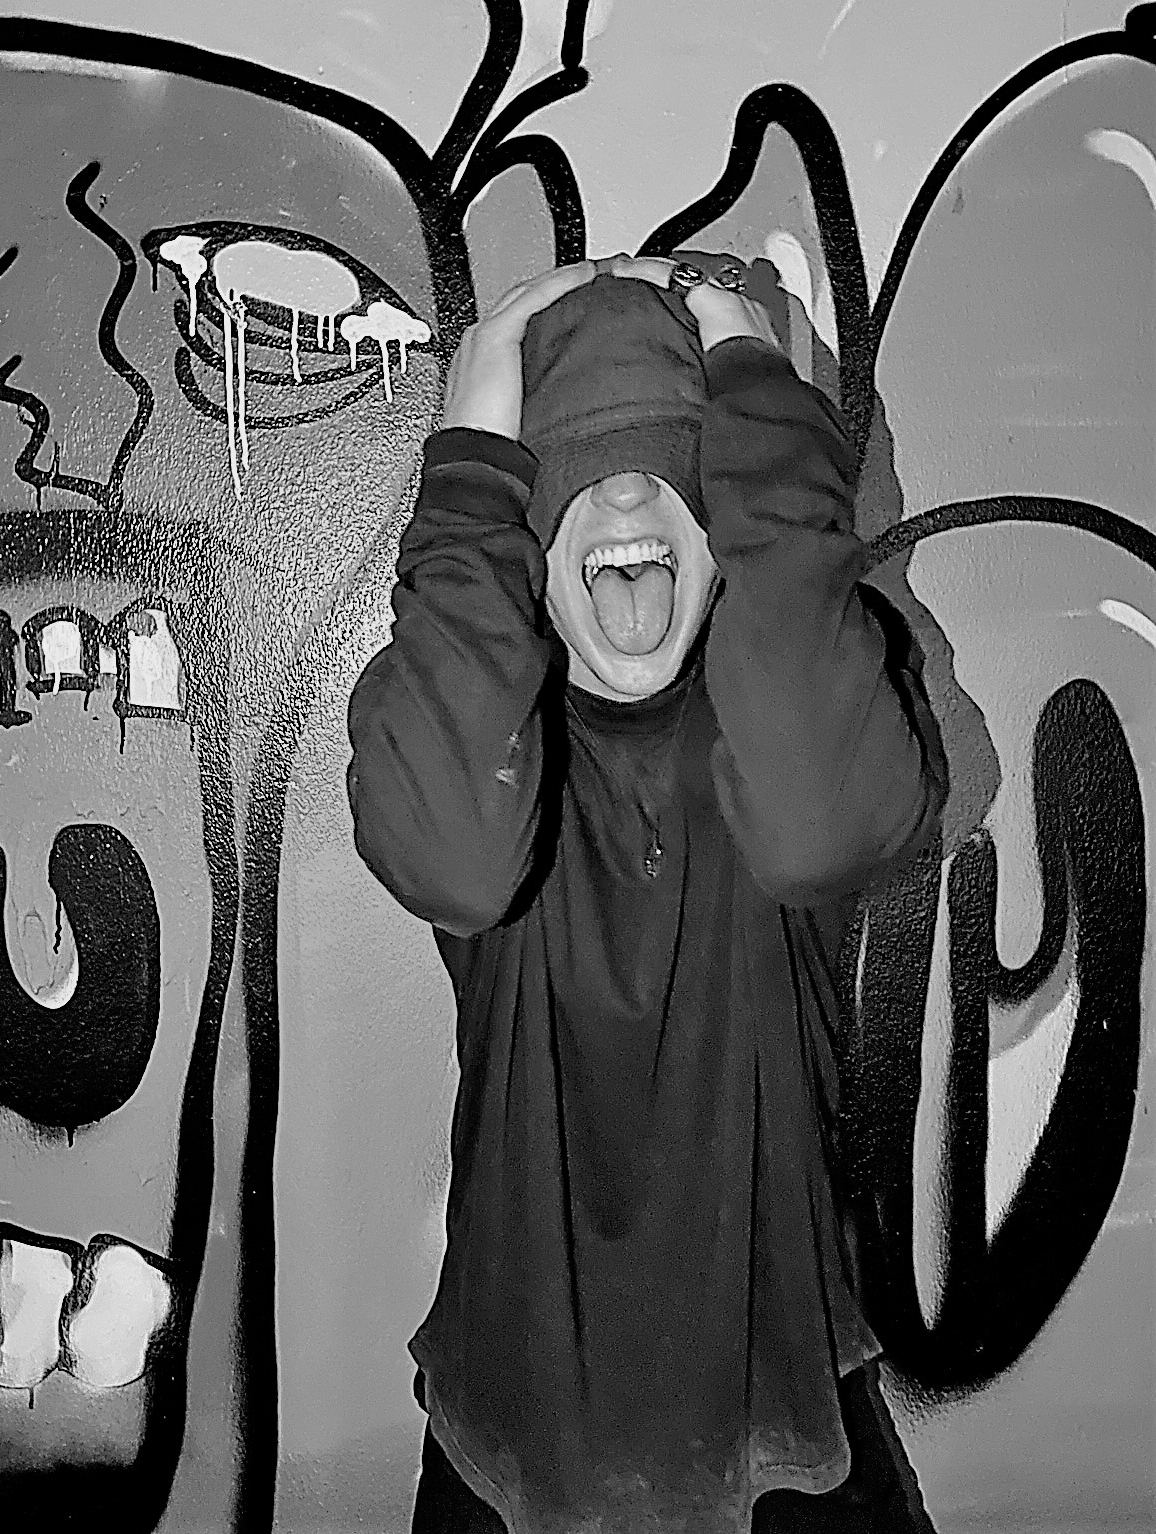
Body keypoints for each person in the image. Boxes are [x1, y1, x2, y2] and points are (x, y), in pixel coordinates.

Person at [345, 254, 948, 1534]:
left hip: (790, 1433)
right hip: (511, 1444)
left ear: (723, 530)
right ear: (526, 541)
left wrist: (751, 372)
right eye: (576, 474)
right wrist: (470, 465)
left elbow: (824, 823)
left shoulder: (815, 700)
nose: (623, 494)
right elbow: (452, 857)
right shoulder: (466, 718)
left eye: (672, 469)